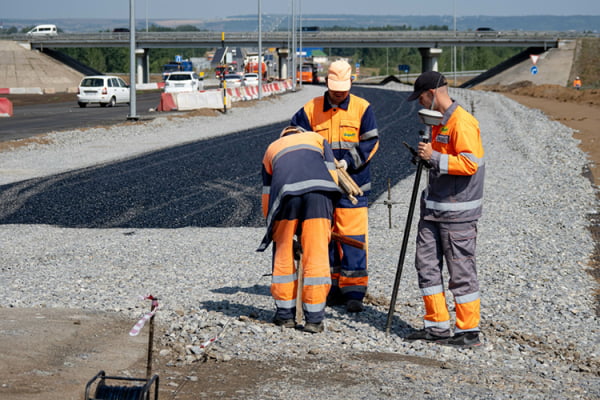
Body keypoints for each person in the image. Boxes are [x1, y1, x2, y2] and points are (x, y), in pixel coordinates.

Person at [290, 59, 379, 313]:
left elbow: (370, 142)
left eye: (343, 87)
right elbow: (295, 135)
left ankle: (353, 291)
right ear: (327, 84)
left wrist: (347, 162)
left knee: (352, 237)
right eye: (335, 87)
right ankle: (329, 287)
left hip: (354, 187)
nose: (339, 92)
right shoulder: (310, 109)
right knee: (323, 238)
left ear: (351, 83)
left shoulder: (363, 109)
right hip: (321, 187)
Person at [405, 71, 485, 347]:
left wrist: (434, 157)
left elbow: (469, 164)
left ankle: (468, 331)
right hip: (433, 210)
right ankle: (436, 326)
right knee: (426, 266)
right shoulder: (439, 124)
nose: (420, 104)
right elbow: (440, 160)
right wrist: (425, 158)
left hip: (458, 214)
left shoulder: (462, 122)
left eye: (421, 98)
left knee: (460, 271)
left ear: (432, 93)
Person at [257, 126, 342, 333]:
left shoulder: (271, 148)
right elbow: (333, 175)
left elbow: (267, 193)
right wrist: (330, 213)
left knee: (284, 254)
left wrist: (274, 226)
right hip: (319, 195)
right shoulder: (316, 138)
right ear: (300, 132)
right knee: (317, 254)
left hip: (285, 197)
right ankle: (314, 319)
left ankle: (285, 315)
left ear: (284, 135)